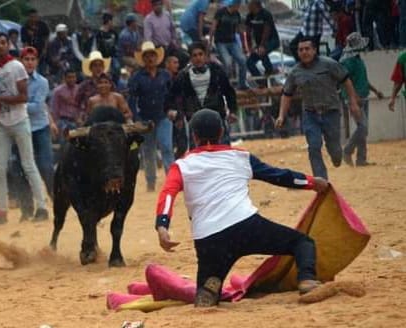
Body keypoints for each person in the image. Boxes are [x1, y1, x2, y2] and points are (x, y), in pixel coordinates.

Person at [155, 109, 327, 307]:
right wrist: (312, 182)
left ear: (193, 136)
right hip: (246, 226)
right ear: (221, 132)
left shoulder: (182, 165)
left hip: (209, 240)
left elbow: (167, 194)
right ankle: (306, 279)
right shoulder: (240, 157)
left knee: (207, 293)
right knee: (302, 243)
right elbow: (278, 176)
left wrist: (162, 225)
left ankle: (210, 288)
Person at [0, 32, 48, 225]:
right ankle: (1, 210)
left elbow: (23, 97)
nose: (0, 46)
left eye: (3, 43)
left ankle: (42, 206)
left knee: (28, 165)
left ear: (8, 44)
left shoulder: (17, 66)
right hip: (3, 122)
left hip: (20, 120)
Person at [276, 38, 361, 180]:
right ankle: (321, 181)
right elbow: (287, 94)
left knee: (335, 151)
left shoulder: (329, 64)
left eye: (307, 49)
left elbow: (346, 80)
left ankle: (337, 156)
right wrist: (281, 116)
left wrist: (353, 102)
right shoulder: (295, 72)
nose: (304, 52)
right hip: (310, 114)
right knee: (314, 146)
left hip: (331, 112)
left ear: (314, 50)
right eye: (300, 50)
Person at [167, 42, 237, 147]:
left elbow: (228, 91)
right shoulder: (183, 75)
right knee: (196, 154)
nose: (198, 58)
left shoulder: (216, 70)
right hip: (195, 119)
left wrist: (232, 110)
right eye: (194, 55)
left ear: (205, 55)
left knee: (223, 150)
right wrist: (173, 112)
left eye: (200, 54)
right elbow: (172, 96)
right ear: (190, 58)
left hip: (217, 116)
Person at [129, 41, 174, 192]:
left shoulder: (165, 75)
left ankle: (171, 181)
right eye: (147, 56)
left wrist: (173, 109)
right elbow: (132, 99)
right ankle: (150, 181)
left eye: (152, 55)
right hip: (145, 118)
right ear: (143, 58)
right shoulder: (136, 77)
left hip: (163, 116)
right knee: (148, 151)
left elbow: (172, 95)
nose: (150, 58)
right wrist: (136, 119)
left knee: (167, 147)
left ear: (156, 57)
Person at [340, 32, 384, 167]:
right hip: (355, 99)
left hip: (362, 96)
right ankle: (347, 151)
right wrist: (354, 97)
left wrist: (375, 90)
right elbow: (346, 82)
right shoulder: (347, 61)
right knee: (363, 127)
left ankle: (361, 159)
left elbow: (363, 80)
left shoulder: (357, 59)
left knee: (363, 128)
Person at [21, 46, 54, 198]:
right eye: (26, 59)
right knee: (21, 167)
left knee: (46, 165)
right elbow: (32, 106)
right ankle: (26, 203)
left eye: (32, 59)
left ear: (37, 62)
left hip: (40, 127)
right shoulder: (15, 81)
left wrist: (16, 103)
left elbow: (37, 107)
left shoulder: (42, 82)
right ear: (21, 61)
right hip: (21, 127)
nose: (29, 62)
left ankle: (54, 196)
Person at [209, 0, 248, 89]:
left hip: (232, 42)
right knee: (227, 63)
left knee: (242, 61)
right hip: (221, 42)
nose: (238, 6)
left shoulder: (237, 14)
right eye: (237, 4)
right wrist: (210, 44)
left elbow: (239, 30)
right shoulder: (221, 12)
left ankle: (242, 84)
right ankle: (224, 85)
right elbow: (213, 28)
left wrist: (244, 45)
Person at [245, 0, 280, 79]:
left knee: (262, 52)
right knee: (249, 62)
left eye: (249, 3)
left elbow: (266, 31)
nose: (247, 5)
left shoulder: (266, 14)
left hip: (272, 40)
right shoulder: (249, 16)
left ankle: (269, 70)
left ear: (255, 4)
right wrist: (250, 47)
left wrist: (261, 46)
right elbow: (248, 33)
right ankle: (261, 81)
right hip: (259, 44)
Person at [75, 50, 112, 123]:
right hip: (90, 118)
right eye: (95, 65)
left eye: (100, 65)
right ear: (90, 68)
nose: (98, 68)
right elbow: (77, 104)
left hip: (109, 117)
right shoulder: (84, 85)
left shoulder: (110, 83)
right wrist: (79, 117)